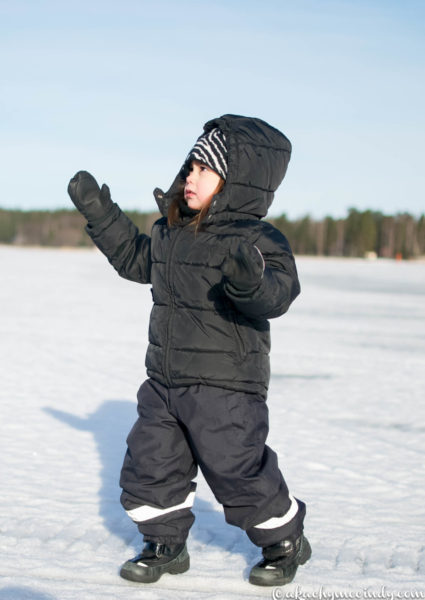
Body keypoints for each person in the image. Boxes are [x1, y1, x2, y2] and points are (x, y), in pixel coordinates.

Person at [67, 114, 311, 587]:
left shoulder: (256, 239)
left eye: (205, 169)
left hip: (226, 386)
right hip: (163, 380)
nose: (190, 177)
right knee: (151, 462)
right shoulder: (171, 232)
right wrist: (100, 214)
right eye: (191, 165)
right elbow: (137, 259)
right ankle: (165, 544)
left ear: (237, 182)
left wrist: (250, 282)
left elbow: (280, 292)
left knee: (237, 469)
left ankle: (284, 541)